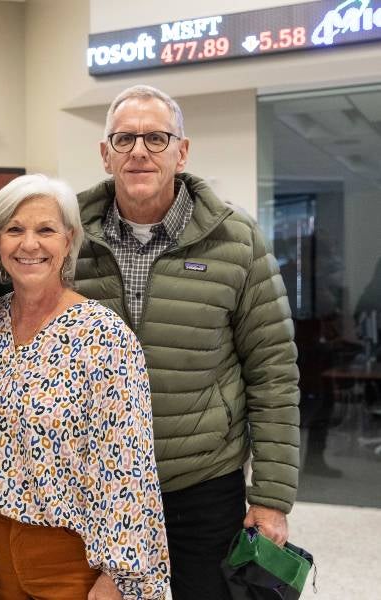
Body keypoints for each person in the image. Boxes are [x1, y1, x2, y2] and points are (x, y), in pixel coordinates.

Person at [73, 84, 299, 600]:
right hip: (93, 486)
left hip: (201, 483)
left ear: (182, 151)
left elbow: (274, 372)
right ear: (106, 154)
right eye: (125, 139)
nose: (139, 151)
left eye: (156, 138)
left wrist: (271, 498)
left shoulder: (236, 238)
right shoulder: (68, 237)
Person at [0, 174, 169, 600]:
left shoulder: (103, 336)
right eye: (14, 229)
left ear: (69, 240)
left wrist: (118, 576)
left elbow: (127, 466)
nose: (29, 244)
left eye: (46, 230)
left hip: (74, 558)